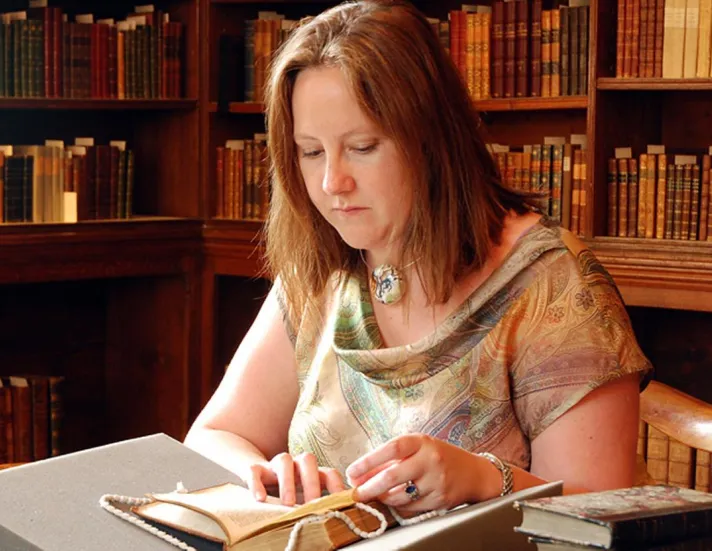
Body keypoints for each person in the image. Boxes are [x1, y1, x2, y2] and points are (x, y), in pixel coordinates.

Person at [184, 0, 653, 516]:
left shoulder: (552, 285)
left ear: (432, 140)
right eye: (310, 151)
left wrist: (482, 479)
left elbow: (608, 518)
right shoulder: (322, 268)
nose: (331, 183)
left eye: (362, 147)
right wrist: (264, 474)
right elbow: (213, 436)